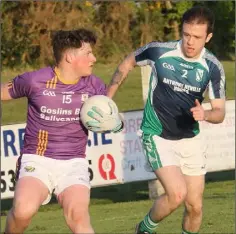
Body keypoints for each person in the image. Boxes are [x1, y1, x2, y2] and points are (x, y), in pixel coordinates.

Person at [105, 6, 226, 234]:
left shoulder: (213, 67)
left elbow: (219, 112)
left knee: (195, 206)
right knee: (177, 193)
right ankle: (145, 229)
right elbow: (127, 62)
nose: (190, 42)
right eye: (186, 34)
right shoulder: (159, 51)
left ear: (208, 37)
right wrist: (106, 100)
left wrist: (206, 115)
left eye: (197, 37)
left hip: (190, 138)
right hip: (157, 133)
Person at [1, 28, 122, 234]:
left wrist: (114, 123)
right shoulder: (35, 81)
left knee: (79, 218)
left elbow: (112, 117)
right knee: (23, 211)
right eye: (88, 53)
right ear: (69, 57)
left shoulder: (94, 86)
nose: (93, 58)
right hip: (37, 159)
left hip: (74, 163)